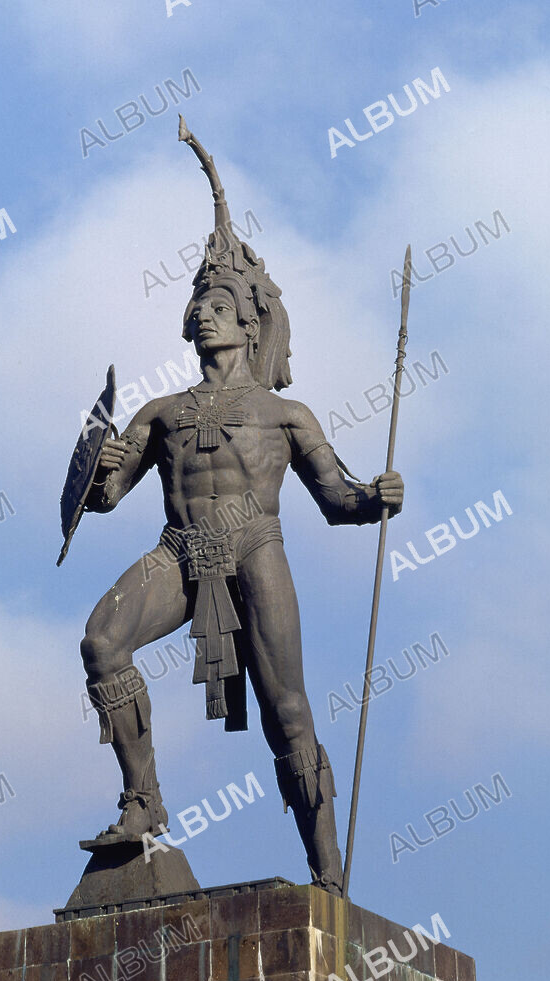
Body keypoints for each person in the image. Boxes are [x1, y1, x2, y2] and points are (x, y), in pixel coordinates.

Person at [75, 120, 403, 896]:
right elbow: (107, 497)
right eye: (199, 304)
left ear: (250, 322)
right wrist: (100, 470)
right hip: (180, 551)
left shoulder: (287, 415)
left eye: (219, 304)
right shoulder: (160, 412)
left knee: (286, 710)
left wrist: (373, 497)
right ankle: (143, 799)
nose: (205, 315)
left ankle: (326, 868)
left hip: (255, 551)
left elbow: (338, 499)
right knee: (101, 641)